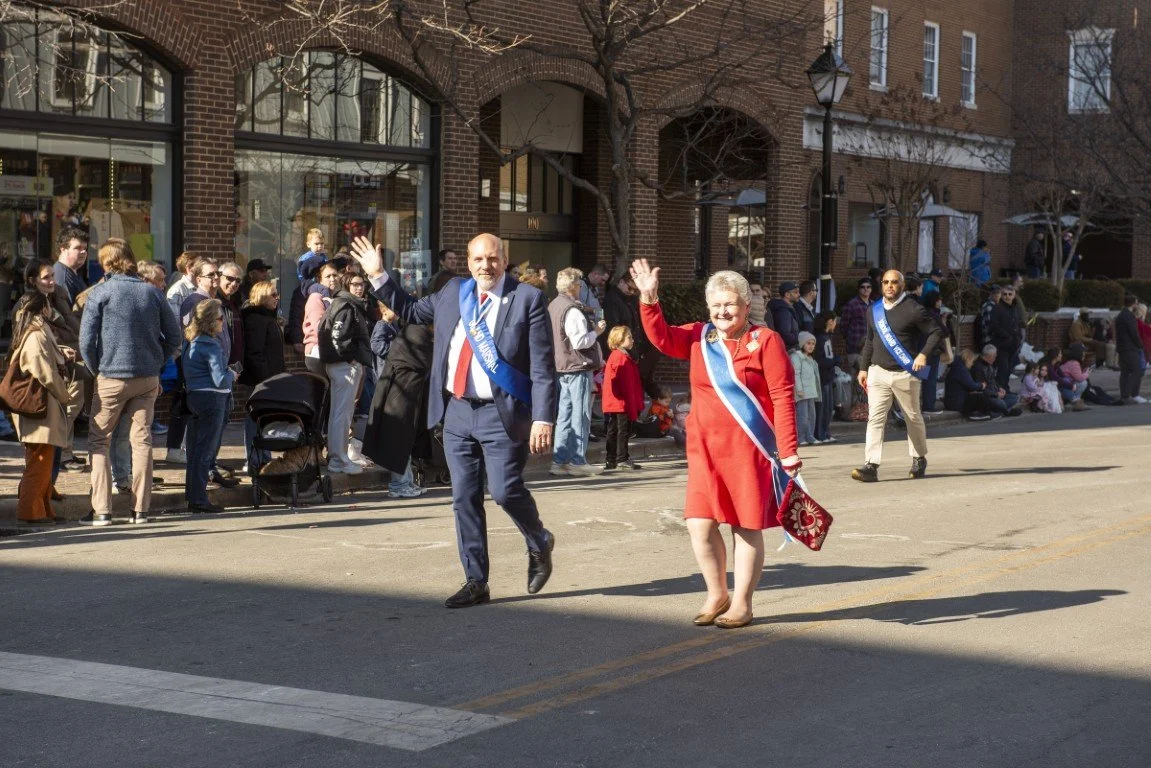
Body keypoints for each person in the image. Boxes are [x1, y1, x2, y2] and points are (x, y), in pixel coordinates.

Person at [351, 232, 557, 609]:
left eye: (492, 259)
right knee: (464, 497)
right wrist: (378, 275)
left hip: (502, 414)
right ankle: (476, 580)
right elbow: (410, 310)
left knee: (505, 490)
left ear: (504, 260)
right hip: (457, 411)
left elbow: (543, 367)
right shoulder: (453, 293)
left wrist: (543, 418)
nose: (485, 266)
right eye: (478, 259)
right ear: (468, 261)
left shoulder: (527, 299)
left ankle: (538, 539)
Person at [632, 260, 800, 630]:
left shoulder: (766, 341)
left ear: (745, 305)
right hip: (705, 450)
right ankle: (717, 593)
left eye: (730, 304)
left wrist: (788, 451)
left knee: (744, 526)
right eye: (716, 305)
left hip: (749, 450)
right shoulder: (699, 337)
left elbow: (783, 396)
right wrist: (649, 299)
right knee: (699, 525)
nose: (723, 312)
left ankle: (742, 603)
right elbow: (661, 337)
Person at [78, 239, 181, 526]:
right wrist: (157, 362)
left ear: (107, 262)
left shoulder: (101, 292)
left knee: (99, 441)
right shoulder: (151, 292)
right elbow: (175, 336)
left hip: (111, 375)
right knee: (142, 441)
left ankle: (101, 510)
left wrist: (96, 369)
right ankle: (140, 511)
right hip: (147, 377)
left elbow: (86, 341)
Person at [852, 270, 942, 483]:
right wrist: (863, 368)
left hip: (905, 373)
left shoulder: (913, 309)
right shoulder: (873, 310)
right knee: (875, 418)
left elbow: (936, 332)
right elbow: (870, 340)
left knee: (912, 417)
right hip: (878, 372)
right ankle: (871, 465)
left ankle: (919, 458)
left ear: (902, 285)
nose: (889, 286)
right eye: (886, 282)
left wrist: (923, 354)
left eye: (894, 282)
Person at [8, 291, 73, 524]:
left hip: (42, 407)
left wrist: (60, 353)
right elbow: (43, 370)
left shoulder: (35, 331)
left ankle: (43, 510)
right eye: (48, 305)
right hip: (40, 407)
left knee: (42, 461)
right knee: (39, 462)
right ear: (43, 308)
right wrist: (64, 394)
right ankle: (30, 511)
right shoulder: (36, 334)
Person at [549, 267, 607, 477]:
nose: (581, 288)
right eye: (579, 284)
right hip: (577, 366)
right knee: (580, 414)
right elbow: (580, 342)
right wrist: (597, 332)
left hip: (562, 365)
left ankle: (559, 461)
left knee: (564, 414)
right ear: (574, 286)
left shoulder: (554, 305)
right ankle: (577, 460)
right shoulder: (572, 310)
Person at [182, 299, 234, 515]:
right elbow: (220, 380)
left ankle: (193, 496)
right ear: (212, 321)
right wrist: (232, 374)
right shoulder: (211, 345)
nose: (223, 322)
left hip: (194, 397)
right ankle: (199, 499)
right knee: (206, 451)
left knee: (195, 451)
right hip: (213, 399)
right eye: (221, 318)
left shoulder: (192, 342)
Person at [320, 271, 375, 474]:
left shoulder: (345, 304)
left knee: (341, 414)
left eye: (362, 284)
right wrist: (350, 358)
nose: (359, 288)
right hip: (344, 366)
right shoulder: (346, 305)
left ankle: (339, 457)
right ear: (346, 285)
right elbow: (336, 336)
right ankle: (339, 460)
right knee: (342, 415)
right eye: (355, 284)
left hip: (342, 365)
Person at [240, 280, 286, 470]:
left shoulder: (268, 317)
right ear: (262, 297)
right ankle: (253, 459)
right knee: (255, 418)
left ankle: (264, 456)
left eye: (277, 294)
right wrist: (265, 378)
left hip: (270, 377)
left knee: (264, 418)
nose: (277, 298)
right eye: (273, 295)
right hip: (260, 380)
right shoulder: (256, 319)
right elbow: (255, 352)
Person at [601, 325, 644, 471]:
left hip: (614, 401)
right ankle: (622, 458)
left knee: (613, 429)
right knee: (622, 430)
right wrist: (631, 404)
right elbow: (625, 384)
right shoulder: (621, 358)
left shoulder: (616, 355)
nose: (632, 340)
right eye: (629, 337)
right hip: (621, 402)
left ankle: (611, 459)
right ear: (620, 340)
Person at [287, 228, 328, 353]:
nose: (319, 246)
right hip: (308, 283)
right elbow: (296, 317)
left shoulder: (323, 257)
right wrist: (297, 340)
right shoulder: (306, 258)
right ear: (308, 244)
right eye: (316, 244)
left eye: (322, 244)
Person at [302, 262, 340, 376]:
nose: (332, 279)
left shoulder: (335, 297)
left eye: (335, 275)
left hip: (331, 351)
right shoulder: (316, 297)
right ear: (319, 279)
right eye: (328, 276)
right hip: (317, 352)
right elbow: (319, 327)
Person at [919, 290, 950, 413]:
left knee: (922, 379)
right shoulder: (934, 315)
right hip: (932, 352)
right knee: (930, 379)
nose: (940, 302)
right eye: (939, 300)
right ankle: (928, 406)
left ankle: (922, 404)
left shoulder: (922, 313)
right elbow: (945, 332)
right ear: (935, 301)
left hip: (921, 350)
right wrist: (944, 321)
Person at [987, 283, 1022, 390]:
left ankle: (1005, 389)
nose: (1007, 296)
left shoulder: (1016, 308)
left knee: (1009, 369)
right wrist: (1007, 336)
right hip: (1001, 345)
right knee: (1003, 369)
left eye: (1010, 294)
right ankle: (1000, 390)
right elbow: (993, 326)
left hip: (1013, 345)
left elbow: (1017, 324)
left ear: (1014, 295)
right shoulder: (997, 308)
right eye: (1005, 294)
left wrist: (1018, 337)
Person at [971, 345, 1022, 416]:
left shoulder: (990, 364)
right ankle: (1005, 411)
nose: (995, 358)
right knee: (1001, 404)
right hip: (988, 397)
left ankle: (999, 411)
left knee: (1014, 398)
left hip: (996, 394)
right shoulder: (978, 367)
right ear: (990, 356)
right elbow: (982, 389)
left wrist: (1000, 388)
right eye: (994, 356)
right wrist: (996, 394)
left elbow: (993, 380)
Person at [813, 311, 839, 444]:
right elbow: (820, 360)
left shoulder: (826, 337)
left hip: (827, 376)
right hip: (823, 376)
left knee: (828, 408)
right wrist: (835, 361)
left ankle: (825, 433)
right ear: (830, 321)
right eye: (835, 321)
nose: (835, 324)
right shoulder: (821, 338)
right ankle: (821, 433)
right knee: (822, 408)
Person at [790, 331, 820, 447]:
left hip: (811, 392)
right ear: (802, 344)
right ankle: (801, 437)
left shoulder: (811, 359)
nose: (811, 346)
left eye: (813, 344)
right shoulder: (797, 357)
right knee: (802, 416)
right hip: (802, 393)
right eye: (808, 343)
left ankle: (810, 436)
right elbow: (796, 374)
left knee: (812, 416)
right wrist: (799, 389)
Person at [1115, 293, 1146, 404]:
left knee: (1125, 372)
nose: (1137, 305)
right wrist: (1140, 345)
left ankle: (1124, 396)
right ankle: (1128, 395)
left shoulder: (1120, 315)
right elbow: (1134, 333)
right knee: (1137, 371)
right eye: (1136, 303)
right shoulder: (1129, 316)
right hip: (1130, 348)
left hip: (1122, 348)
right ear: (1133, 304)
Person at [944, 348, 992, 418]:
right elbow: (971, 385)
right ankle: (981, 414)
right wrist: (982, 385)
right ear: (968, 359)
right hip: (957, 403)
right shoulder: (960, 369)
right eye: (972, 361)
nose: (972, 364)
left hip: (953, 401)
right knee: (980, 397)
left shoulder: (957, 366)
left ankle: (982, 413)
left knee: (977, 395)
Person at [839, 278, 873, 373]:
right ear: (858, 289)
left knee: (870, 378)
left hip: (871, 348)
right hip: (855, 348)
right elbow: (844, 325)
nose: (866, 289)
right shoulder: (851, 305)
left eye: (868, 287)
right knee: (855, 377)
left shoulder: (874, 305)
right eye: (863, 287)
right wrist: (850, 339)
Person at [52, 226, 88, 307]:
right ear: (63, 249)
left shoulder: (74, 271)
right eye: (78, 248)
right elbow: (68, 311)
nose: (83, 251)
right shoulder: (62, 277)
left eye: (85, 248)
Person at [1053, 344, 1091, 410]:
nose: (1084, 354)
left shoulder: (1072, 362)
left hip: (1065, 386)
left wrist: (1084, 372)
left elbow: (1076, 376)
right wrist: (1087, 373)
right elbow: (1079, 378)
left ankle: (1075, 402)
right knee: (1082, 382)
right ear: (1078, 353)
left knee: (1081, 383)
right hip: (1061, 387)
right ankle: (1075, 401)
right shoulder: (1074, 363)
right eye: (1083, 352)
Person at [769, 281, 800, 349]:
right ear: (787, 295)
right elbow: (784, 334)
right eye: (795, 292)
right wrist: (798, 340)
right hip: (787, 349)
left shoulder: (787, 309)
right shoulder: (783, 311)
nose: (798, 295)